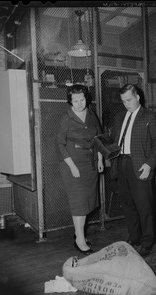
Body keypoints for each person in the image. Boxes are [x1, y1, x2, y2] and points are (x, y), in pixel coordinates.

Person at [110, 84, 156, 257]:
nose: (126, 104)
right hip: (122, 164)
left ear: (138, 97)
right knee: (128, 205)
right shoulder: (119, 117)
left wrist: (149, 164)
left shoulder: (149, 116)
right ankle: (135, 237)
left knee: (145, 207)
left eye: (129, 99)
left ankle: (147, 242)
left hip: (140, 166)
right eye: (123, 101)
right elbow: (115, 142)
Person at [56, 84, 104, 255]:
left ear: (86, 98)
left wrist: (99, 159)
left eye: (82, 99)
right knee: (79, 204)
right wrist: (72, 167)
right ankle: (80, 240)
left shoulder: (91, 114)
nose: (79, 103)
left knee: (88, 202)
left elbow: (98, 138)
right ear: (70, 101)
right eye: (75, 101)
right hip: (72, 163)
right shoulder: (66, 118)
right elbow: (60, 145)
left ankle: (79, 235)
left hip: (89, 162)